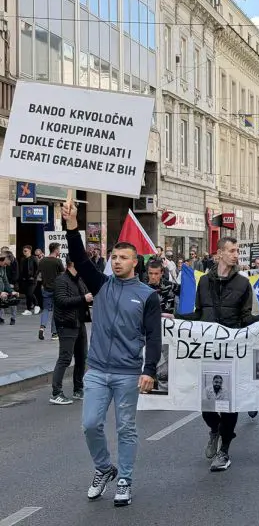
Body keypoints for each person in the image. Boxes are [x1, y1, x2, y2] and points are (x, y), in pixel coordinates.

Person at [62, 200, 161, 508]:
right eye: (114, 257)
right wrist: (72, 225)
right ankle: (105, 468)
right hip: (97, 370)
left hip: (128, 373)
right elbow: (78, 256)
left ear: (135, 263)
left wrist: (150, 370)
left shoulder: (147, 296)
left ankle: (125, 480)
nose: (117, 261)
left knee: (126, 428)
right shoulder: (101, 285)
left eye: (124, 258)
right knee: (90, 424)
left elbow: (153, 336)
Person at [176, 236, 259, 472]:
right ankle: (215, 429)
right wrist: (175, 319)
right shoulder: (204, 283)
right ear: (219, 254)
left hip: (231, 350)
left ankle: (224, 450)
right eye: (231, 250)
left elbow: (246, 318)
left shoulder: (242, 283)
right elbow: (199, 314)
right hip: (208, 349)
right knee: (207, 403)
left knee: (229, 403)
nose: (235, 254)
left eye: (237, 250)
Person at [50, 256, 91, 405]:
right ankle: (56, 393)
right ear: (71, 264)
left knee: (82, 357)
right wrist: (83, 298)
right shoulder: (61, 280)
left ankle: (78, 389)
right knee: (65, 358)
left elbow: (86, 295)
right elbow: (61, 300)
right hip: (66, 323)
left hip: (79, 323)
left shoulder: (79, 279)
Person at [38, 242, 65, 341]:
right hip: (57, 289)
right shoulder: (58, 261)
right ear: (56, 250)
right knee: (56, 311)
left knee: (45, 309)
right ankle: (54, 333)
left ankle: (42, 327)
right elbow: (63, 276)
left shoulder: (42, 261)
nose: (60, 251)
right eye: (59, 249)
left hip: (46, 289)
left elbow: (39, 276)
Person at [19, 245, 39, 316]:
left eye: (25, 251)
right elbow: (21, 270)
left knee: (30, 293)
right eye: (23, 251)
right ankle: (33, 306)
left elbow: (38, 268)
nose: (24, 252)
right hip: (24, 280)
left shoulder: (34, 258)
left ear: (29, 251)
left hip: (32, 280)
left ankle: (31, 308)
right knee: (28, 294)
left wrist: (34, 276)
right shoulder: (22, 259)